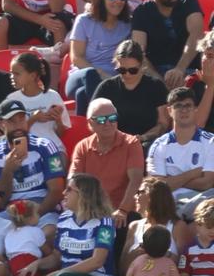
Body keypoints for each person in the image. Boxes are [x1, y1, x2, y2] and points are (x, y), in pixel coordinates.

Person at [0, 97, 66, 219]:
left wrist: (35, 216)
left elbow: (56, 191)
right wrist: (7, 171)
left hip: (42, 208)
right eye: (12, 121)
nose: (18, 126)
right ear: (1, 124)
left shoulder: (45, 146)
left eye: (21, 119)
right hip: (9, 212)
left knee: (49, 229)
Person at [38, 174, 120, 276]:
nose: (64, 193)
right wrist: (36, 264)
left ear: (84, 195)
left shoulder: (105, 222)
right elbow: (57, 257)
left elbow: (97, 261)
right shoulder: (64, 218)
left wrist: (63, 272)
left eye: (69, 189)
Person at [68, 97, 145, 228]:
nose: (108, 123)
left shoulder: (131, 143)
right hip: (91, 212)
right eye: (101, 120)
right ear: (90, 123)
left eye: (112, 118)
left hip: (123, 213)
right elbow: (74, 182)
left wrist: (123, 210)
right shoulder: (82, 147)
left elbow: (136, 180)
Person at [67, 0, 135, 111]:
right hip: (82, 75)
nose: (118, 1)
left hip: (113, 79)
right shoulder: (84, 21)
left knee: (82, 94)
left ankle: (92, 122)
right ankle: (105, 114)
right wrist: (102, 75)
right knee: (90, 75)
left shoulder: (128, 24)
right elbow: (77, 58)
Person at [146, 87, 214, 220]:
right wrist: (193, 173)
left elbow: (206, 183)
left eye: (188, 105)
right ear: (169, 111)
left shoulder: (211, 141)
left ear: (195, 109)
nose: (184, 110)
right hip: (168, 208)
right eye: (178, 106)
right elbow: (157, 188)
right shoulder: (159, 145)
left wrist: (170, 180)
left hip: (202, 210)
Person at [131, 0, 205, 86]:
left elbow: (196, 35)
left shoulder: (188, 1)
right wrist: (159, 82)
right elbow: (139, 52)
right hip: (155, 73)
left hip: (189, 70)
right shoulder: (141, 12)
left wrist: (180, 69)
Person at [93, 39, 171, 146]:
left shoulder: (156, 87)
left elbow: (163, 124)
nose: (127, 74)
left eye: (133, 70)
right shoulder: (106, 87)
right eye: (122, 70)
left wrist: (143, 138)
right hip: (113, 143)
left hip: (146, 142)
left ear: (142, 65)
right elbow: (94, 121)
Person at [9, 51, 70, 152]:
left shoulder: (53, 96)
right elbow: (13, 134)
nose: (12, 77)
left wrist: (58, 120)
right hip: (25, 151)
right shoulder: (12, 100)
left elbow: (60, 134)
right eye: (11, 73)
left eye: (17, 74)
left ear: (33, 76)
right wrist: (33, 119)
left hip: (53, 149)